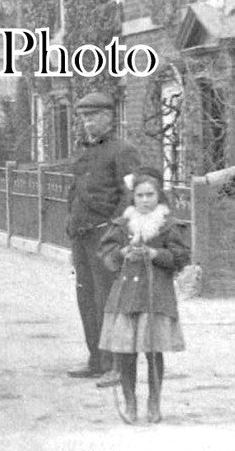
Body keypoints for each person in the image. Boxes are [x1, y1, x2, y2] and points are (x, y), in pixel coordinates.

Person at [98, 167, 189, 423]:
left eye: (150, 195)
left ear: (158, 196)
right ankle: (130, 401)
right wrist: (122, 253)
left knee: (153, 351)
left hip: (156, 296)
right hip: (126, 296)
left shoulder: (167, 225)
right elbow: (106, 255)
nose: (145, 200)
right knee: (126, 352)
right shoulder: (122, 224)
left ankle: (153, 402)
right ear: (133, 197)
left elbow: (181, 257)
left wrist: (155, 254)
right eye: (140, 195)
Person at [66, 91, 141, 387]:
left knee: (107, 301)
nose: (88, 122)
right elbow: (76, 191)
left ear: (109, 117)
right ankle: (96, 360)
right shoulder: (83, 151)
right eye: (84, 117)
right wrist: (70, 224)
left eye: (94, 116)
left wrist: (114, 227)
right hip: (82, 235)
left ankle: (115, 366)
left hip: (105, 236)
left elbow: (130, 194)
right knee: (86, 299)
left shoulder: (123, 151)